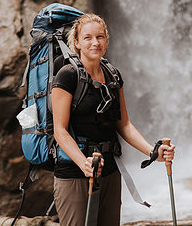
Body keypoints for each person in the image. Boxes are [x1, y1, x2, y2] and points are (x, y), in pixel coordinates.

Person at [51, 13, 176, 226]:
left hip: (110, 170)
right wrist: (84, 164)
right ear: (77, 42)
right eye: (88, 37)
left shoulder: (113, 75)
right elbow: (59, 131)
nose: (95, 42)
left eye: (100, 37)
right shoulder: (67, 75)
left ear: (106, 40)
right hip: (75, 174)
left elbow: (124, 125)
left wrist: (153, 152)